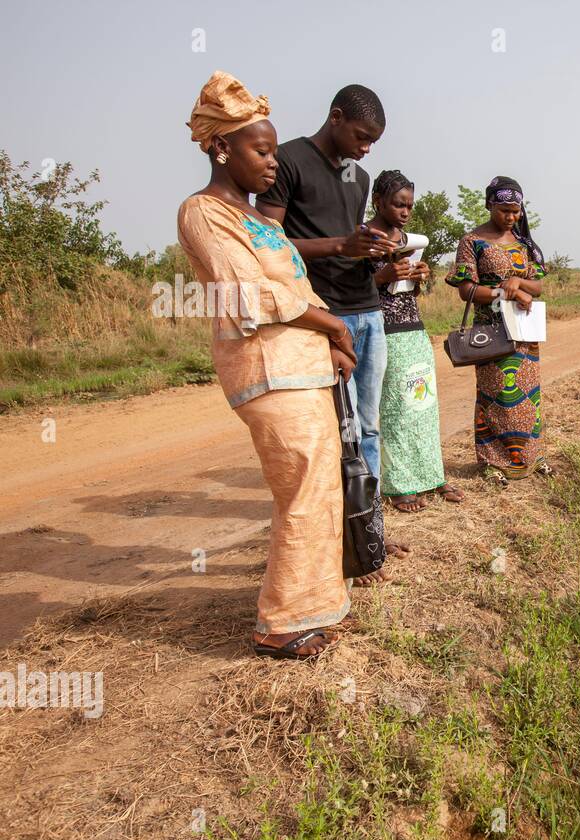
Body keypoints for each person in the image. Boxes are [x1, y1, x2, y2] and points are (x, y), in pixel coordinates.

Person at [177, 71, 357, 659]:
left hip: (305, 365)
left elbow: (296, 282)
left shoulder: (260, 221)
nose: (274, 163)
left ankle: (317, 606)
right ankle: (280, 624)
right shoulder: (204, 213)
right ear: (220, 148)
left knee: (321, 484)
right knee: (301, 486)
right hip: (268, 369)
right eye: (261, 150)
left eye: (275, 150)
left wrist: (330, 339)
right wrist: (330, 322)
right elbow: (245, 293)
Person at [256, 83, 409, 584]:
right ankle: (339, 544)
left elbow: (348, 240)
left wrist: (375, 249)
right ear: (336, 117)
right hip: (323, 316)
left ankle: (370, 535)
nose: (366, 149)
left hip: (368, 308)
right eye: (362, 136)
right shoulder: (286, 161)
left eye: (373, 142)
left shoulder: (361, 177)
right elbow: (268, 247)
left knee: (368, 426)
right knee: (332, 435)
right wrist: (341, 244)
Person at [364, 169, 464, 511]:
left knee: (423, 405)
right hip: (383, 330)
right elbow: (349, 289)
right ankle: (399, 485)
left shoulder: (409, 240)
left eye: (409, 206)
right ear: (378, 201)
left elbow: (408, 291)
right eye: (398, 204)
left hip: (413, 330)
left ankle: (430, 477)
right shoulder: (363, 238)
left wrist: (420, 276)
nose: (405, 212)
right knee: (396, 410)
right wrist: (383, 276)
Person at [444, 176, 551, 484]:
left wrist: (519, 283)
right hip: (490, 333)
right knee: (496, 395)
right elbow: (466, 290)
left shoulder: (522, 243)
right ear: (490, 204)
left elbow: (538, 286)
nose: (511, 216)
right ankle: (493, 462)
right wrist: (506, 293)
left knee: (528, 396)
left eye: (516, 210)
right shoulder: (472, 241)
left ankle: (530, 457)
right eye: (505, 209)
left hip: (525, 333)